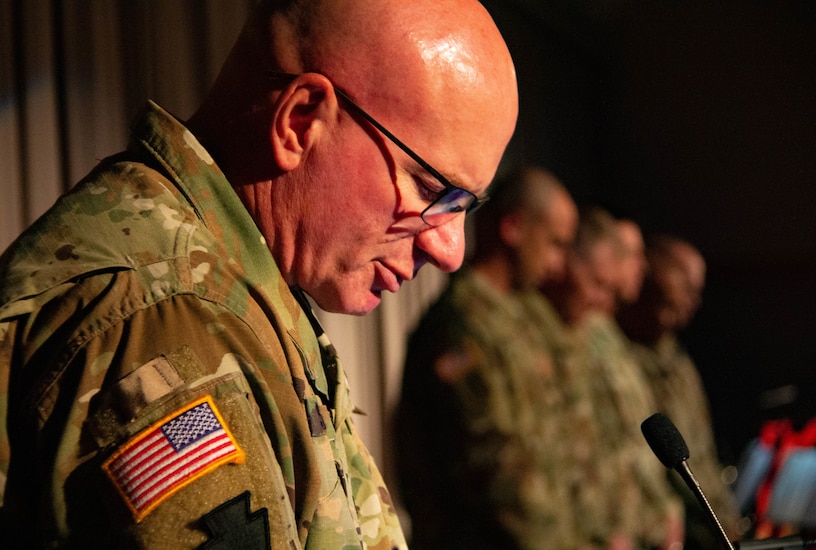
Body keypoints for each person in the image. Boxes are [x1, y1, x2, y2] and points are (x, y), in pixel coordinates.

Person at [0, 0, 519, 547]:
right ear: (300, 122)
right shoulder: (164, 317)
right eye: (432, 190)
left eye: (465, 206)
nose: (450, 250)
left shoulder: (235, 291)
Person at [394, 167, 579, 549]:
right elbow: (496, 473)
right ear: (513, 228)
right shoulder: (463, 324)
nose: (561, 264)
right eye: (555, 244)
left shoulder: (524, 313)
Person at [538, 207, 684, 549]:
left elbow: (623, 440)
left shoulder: (600, 332)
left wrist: (663, 510)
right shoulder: (557, 335)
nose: (636, 266)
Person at [618, 235, 741, 549]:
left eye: (698, 290)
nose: (693, 299)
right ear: (650, 270)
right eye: (685, 283)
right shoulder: (616, 354)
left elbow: (703, 452)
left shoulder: (676, 358)